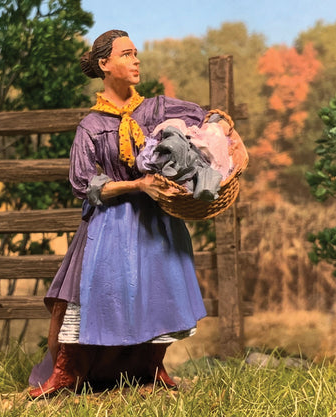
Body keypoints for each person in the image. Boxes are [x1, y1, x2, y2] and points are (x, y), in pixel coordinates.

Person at [28, 29, 210, 398]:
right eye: (126, 54)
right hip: (110, 224)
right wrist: (137, 185)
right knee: (90, 293)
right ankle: (69, 370)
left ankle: (151, 366)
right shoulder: (92, 126)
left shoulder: (156, 108)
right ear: (104, 65)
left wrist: (222, 132)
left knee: (162, 291)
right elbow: (83, 183)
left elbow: (204, 119)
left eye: (136, 53)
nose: (136, 60)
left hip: (157, 220)